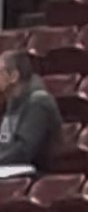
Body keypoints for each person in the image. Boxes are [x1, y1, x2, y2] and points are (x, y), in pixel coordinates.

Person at [0, 50, 59, 178]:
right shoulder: (10, 102)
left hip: (35, 177)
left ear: (13, 76)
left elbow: (24, 151)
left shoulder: (39, 103)